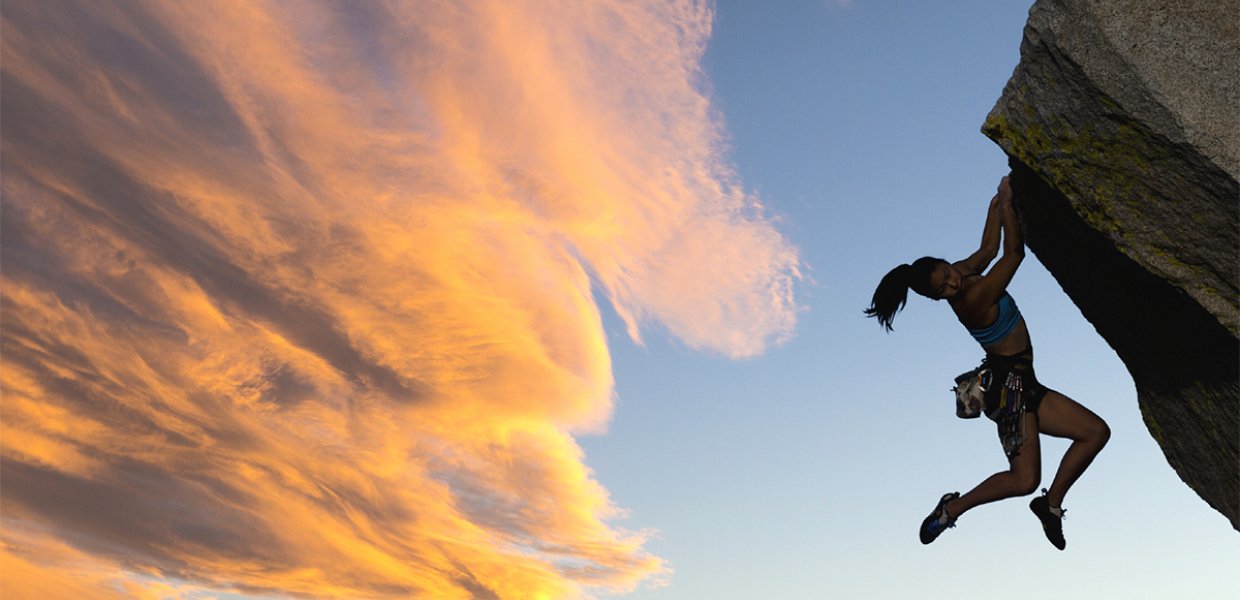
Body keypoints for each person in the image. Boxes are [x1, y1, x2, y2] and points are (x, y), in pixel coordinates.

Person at [864, 176, 1110, 550]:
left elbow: (987, 250)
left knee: (1095, 432)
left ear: (947, 263)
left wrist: (996, 203)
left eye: (947, 274)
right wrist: (1008, 204)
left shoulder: (964, 273)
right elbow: (1013, 254)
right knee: (1024, 479)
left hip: (1025, 381)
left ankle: (1051, 505)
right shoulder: (973, 298)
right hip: (1010, 390)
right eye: (942, 289)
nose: (952, 285)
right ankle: (951, 510)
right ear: (936, 298)